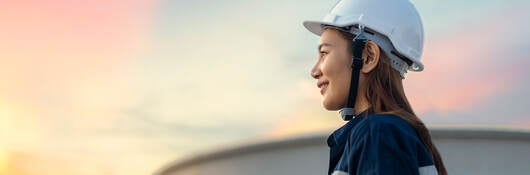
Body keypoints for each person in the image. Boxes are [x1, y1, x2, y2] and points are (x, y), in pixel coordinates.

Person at [303, 0, 448, 174]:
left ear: (368, 57)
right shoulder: (389, 134)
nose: (314, 71)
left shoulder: (378, 134)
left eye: (324, 53)